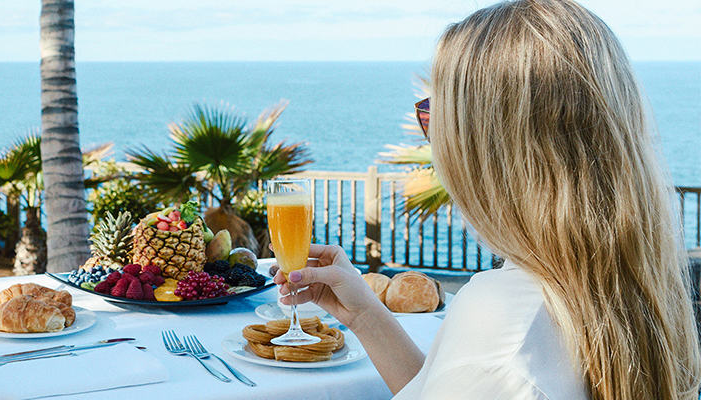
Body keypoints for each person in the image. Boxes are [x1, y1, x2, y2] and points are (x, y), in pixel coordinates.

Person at [274, 0, 701, 398]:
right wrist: (365, 316)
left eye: (434, 116)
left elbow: (485, 375)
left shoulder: (500, 331)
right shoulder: (616, 289)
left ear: (484, 151)